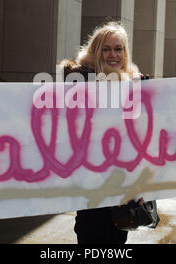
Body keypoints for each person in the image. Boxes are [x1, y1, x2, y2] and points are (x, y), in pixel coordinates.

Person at [58, 21, 156, 244]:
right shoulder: (79, 78)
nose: (113, 54)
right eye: (106, 48)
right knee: (93, 236)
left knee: (117, 239)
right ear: (95, 50)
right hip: (91, 182)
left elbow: (140, 136)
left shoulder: (132, 81)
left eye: (119, 48)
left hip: (122, 184)